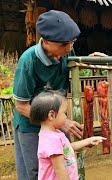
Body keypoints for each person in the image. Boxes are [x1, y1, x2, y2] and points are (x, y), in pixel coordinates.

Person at [12, 10, 105, 179]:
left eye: (72, 42)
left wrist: (89, 61)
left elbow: (73, 64)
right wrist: (61, 123)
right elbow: (21, 105)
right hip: (31, 125)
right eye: (64, 44)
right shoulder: (28, 61)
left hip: (57, 119)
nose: (69, 47)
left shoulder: (66, 51)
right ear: (46, 42)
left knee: (64, 161)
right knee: (36, 172)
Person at [29, 91, 105, 180]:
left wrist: (88, 140)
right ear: (51, 115)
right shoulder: (51, 140)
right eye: (64, 113)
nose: (65, 117)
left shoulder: (55, 133)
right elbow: (60, 170)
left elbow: (66, 148)